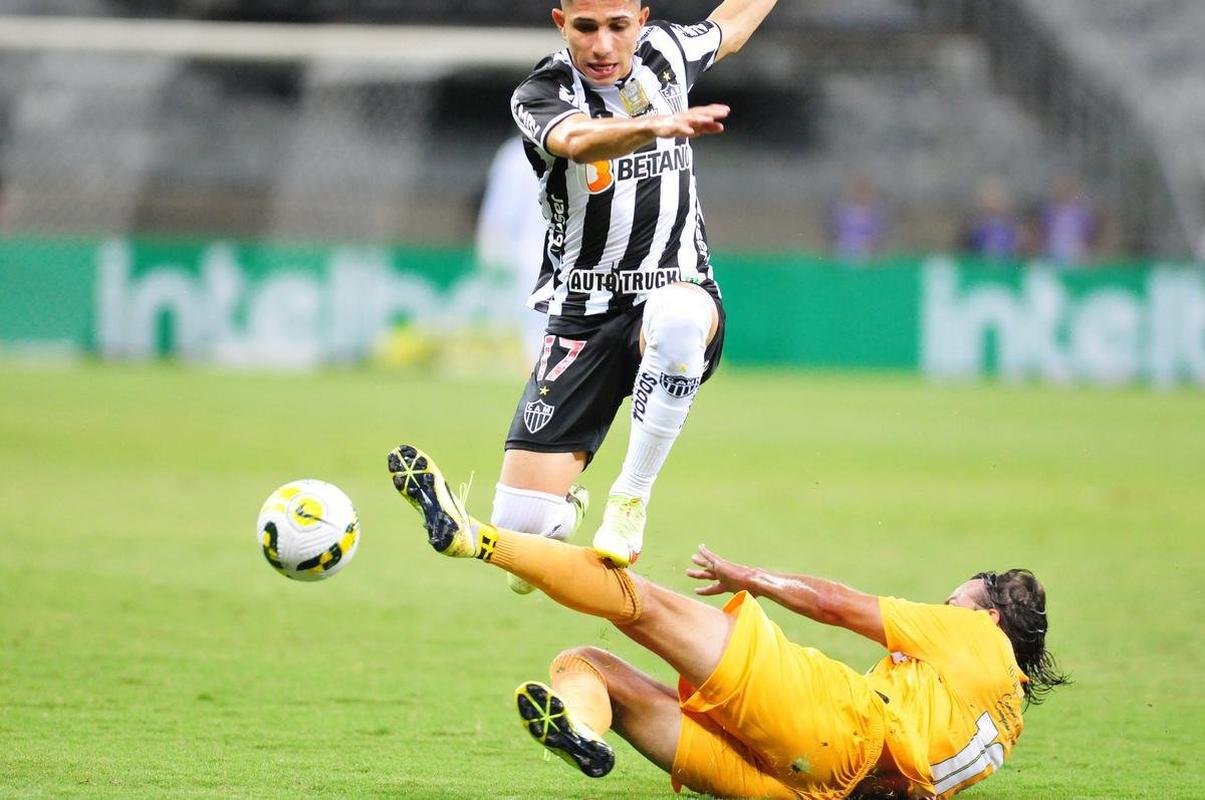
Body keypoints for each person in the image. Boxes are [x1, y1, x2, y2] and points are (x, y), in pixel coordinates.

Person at [387, 444, 1069, 799]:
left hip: (837, 723)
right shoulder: (1002, 728)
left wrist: (750, 580)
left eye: (953, 602)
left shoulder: (976, 638)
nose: (942, 611)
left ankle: (474, 537)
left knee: (635, 601)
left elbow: (838, 603)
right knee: (585, 666)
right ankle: (580, 726)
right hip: (806, 788)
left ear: (989, 613)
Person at [492, 0, 780, 591]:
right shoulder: (540, 93)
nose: (602, 46)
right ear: (559, 23)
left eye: (618, 27)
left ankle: (630, 496)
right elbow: (578, 141)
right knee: (520, 534)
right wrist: (650, 127)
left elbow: (735, 23)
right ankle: (560, 511)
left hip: (678, 287)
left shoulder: (668, 55)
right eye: (586, 28)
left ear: (641, 21)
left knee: (677, 321)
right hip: (583, 313)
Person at [475, 136, 551, 366]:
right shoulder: (514, 155)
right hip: (532, 249)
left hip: (546, 249)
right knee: (538, 324)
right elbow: (501, 205)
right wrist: (491, 239)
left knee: (544, 325)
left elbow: (499, 206)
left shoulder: (514, 153)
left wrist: (489, 240)